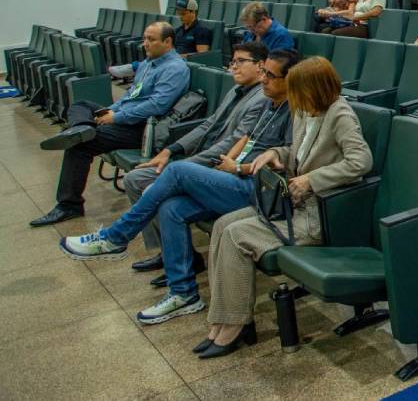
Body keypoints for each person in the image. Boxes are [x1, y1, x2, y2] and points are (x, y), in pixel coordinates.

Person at [59, 48, 296, 325]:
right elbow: (244, 137)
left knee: (177, 170)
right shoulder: (270, 103)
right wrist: (230, 160)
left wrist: (236, 167)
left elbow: (286, 159)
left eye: (270, 74)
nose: (264, 79)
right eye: (264, 72)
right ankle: (184, 294)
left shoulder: (293, 111)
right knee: (172, 207)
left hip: (257, 189)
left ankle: (115, 237)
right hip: (231, 175)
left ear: (290, 80)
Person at [197, 56, 371, 358]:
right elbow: (298, 152)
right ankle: (226, 319)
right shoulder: (305, 110)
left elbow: (360, 161)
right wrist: (275, 153)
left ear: (313, 88)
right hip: (290, 206)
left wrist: (311, 180)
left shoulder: (340, 114)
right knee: (224, 225)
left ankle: (234, 326)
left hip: (316, 214)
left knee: (238, 236)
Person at [119, 42, 269, 286]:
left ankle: (172, 256)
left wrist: (186, 166)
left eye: (240, 61)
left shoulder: (262, 98)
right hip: (200, 158)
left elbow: (230, 144)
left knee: (154, 188)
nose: (234, 67)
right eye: (232, 61)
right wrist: (171, 150)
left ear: (260, 65)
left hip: (217, 165)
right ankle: (169, 253)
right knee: (134, 180)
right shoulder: (235, 90)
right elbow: (208, 125)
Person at [30, 22, 191, 227]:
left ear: (168, 42)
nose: (145, 44)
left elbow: (157, 106)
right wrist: (111, 110)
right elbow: (131, 95)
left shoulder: (175, 68)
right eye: (144, 38)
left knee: (80, 145)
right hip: (126, 118)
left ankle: (69, 205)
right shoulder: (148, 64)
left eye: (151, 40)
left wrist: (116, 118)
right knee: (81, 104)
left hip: (144, 128)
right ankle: (81, 128)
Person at [109, 0, 213, 80]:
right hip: (172, 58)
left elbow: (202, 55)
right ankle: (135, 69)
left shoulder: (202, 31)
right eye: (178, 13)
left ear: (193, 12)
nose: (180, 16)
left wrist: (180, 56)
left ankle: (134, 68)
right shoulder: (177, 30)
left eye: (183, 13)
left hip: (183, 62)